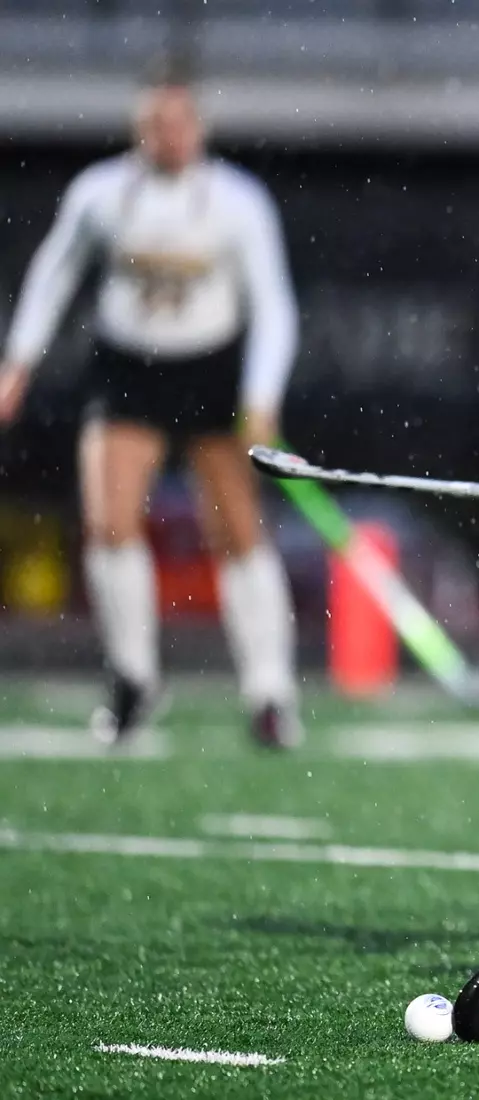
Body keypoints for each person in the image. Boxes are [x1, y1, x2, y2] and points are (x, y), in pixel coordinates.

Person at [0, 72, 302, 748]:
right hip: (128, 366)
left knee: (238, 532)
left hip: (211, 369)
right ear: (140, 130)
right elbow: (54, 273)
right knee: (110, 522)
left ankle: (270, 692)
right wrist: (17, 364)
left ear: (198, 129)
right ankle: (133, 680)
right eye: (156, 124)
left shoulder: (237, 202)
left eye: (180, 123)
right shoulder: (100, 194)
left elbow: (274, 305)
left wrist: (260, 397)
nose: (169, 136)